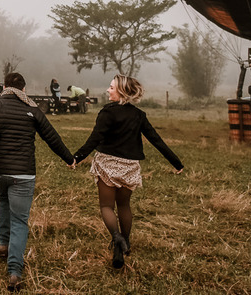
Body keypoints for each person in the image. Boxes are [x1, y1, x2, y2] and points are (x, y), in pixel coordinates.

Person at [0, 71, 76, 291]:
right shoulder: (32, 109)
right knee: (20, 220)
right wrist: (69, 159)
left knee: (2, 196)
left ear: (3, 88)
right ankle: (14, 271)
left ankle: (4, 244)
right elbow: (52, 137)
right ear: (24, 90)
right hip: (23, 174)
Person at [73, 74, 183, 269]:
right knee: (124, 206)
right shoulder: (139, 115)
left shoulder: (107, 112)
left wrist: (77, 158)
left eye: (111, 88)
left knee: (106, 207)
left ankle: (116, 237)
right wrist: (176, 163)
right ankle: (126, 243)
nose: (108, 90)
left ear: (121, 91)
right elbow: (156, 140)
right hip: (130, 166)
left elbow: (95, 138)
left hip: (108, 163)